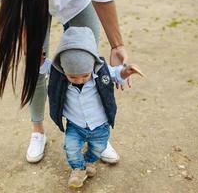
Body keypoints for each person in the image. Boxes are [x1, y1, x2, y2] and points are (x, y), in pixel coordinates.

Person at [0, 0, 130, 164]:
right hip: (29, 2)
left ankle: (97, 134)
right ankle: (38, 131)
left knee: (85, 63)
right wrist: (28, 44)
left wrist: (117, 45)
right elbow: (13, 6)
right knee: (35, 66)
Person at [41, 27, 143, 188]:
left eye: (84, 75)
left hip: (100, 125)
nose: (79, 80)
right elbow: (46, 67)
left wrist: (126, 72)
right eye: (72, 76)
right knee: (71, 147)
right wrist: (39, 60)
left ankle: (89, 161)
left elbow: (117, 73)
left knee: (98, 147)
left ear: (93, 65)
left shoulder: (101, 69)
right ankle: (78, 169)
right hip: (75, 124)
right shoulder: (58, 72)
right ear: (63, 69)